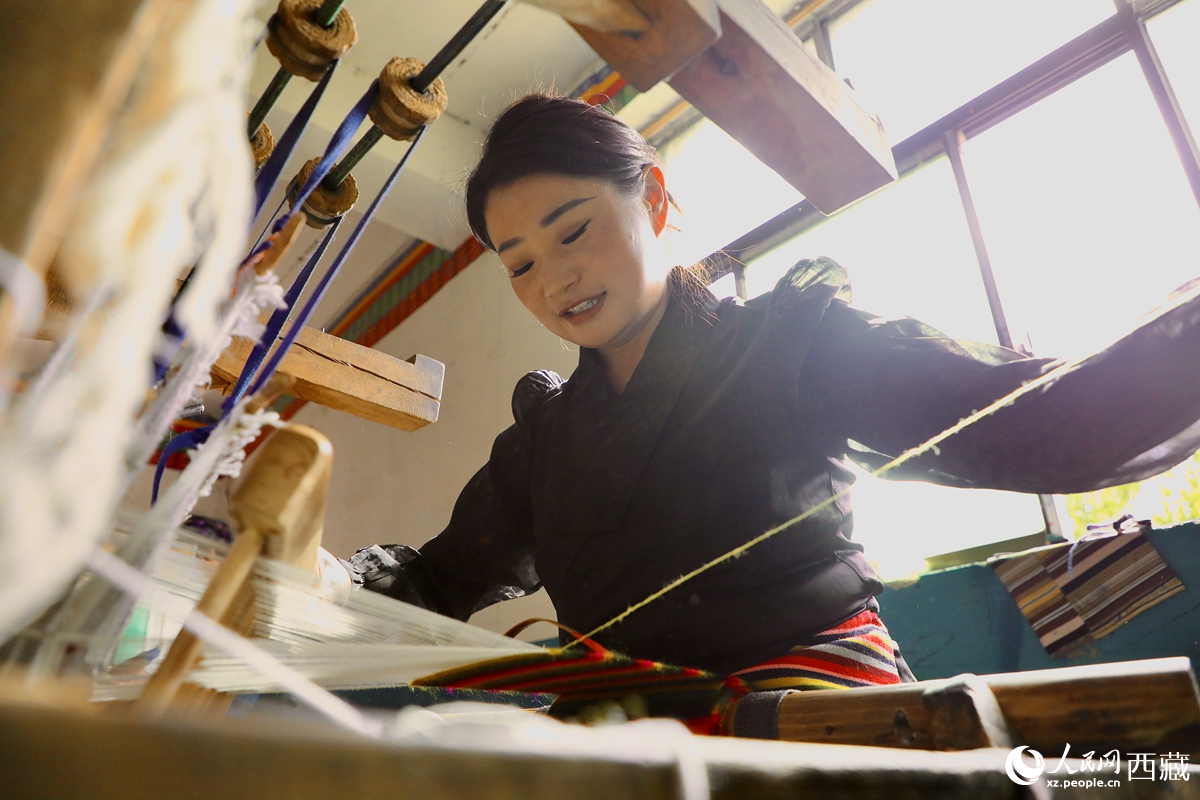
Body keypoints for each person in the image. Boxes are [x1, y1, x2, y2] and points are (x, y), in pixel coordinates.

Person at [344, 94, 1200, 697]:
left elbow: (1043, 422)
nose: (554, 279)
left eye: (573, 230)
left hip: (817, 705)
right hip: (629, 729)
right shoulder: (544, 439)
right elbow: (440, 578)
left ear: (655, 199)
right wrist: (310, 581)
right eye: (520, 264)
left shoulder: (797, 343)